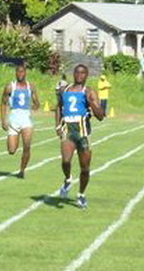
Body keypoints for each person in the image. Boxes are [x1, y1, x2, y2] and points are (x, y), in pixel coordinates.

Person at [56, 64, 105, 209]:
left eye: (83, 73)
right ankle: (68, 179)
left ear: (86, 75)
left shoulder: (89, 92)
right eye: (77, 72)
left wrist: (91, 103)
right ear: (73, 74)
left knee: (85, 168)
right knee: (65, 160)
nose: (79, 75)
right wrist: (58, 125)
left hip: (83, 132)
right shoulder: (65, 90)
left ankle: (81, 194)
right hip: (68, 130)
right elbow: (58, 107)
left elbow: (101, 116)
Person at [0, 64, 40, 179]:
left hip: (26, 119)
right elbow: (3, 103)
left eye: (22, 72)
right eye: (18, 72)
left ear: (25, 73)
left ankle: (22, 170)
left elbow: (37, 102)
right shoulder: (10, 87)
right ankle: (13, 140)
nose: (20, 74)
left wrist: (35, 106)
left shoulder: (30, 86)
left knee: (27, 146)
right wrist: (3, 120)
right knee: (12, 150)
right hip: (13, 119)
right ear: (15, 73)